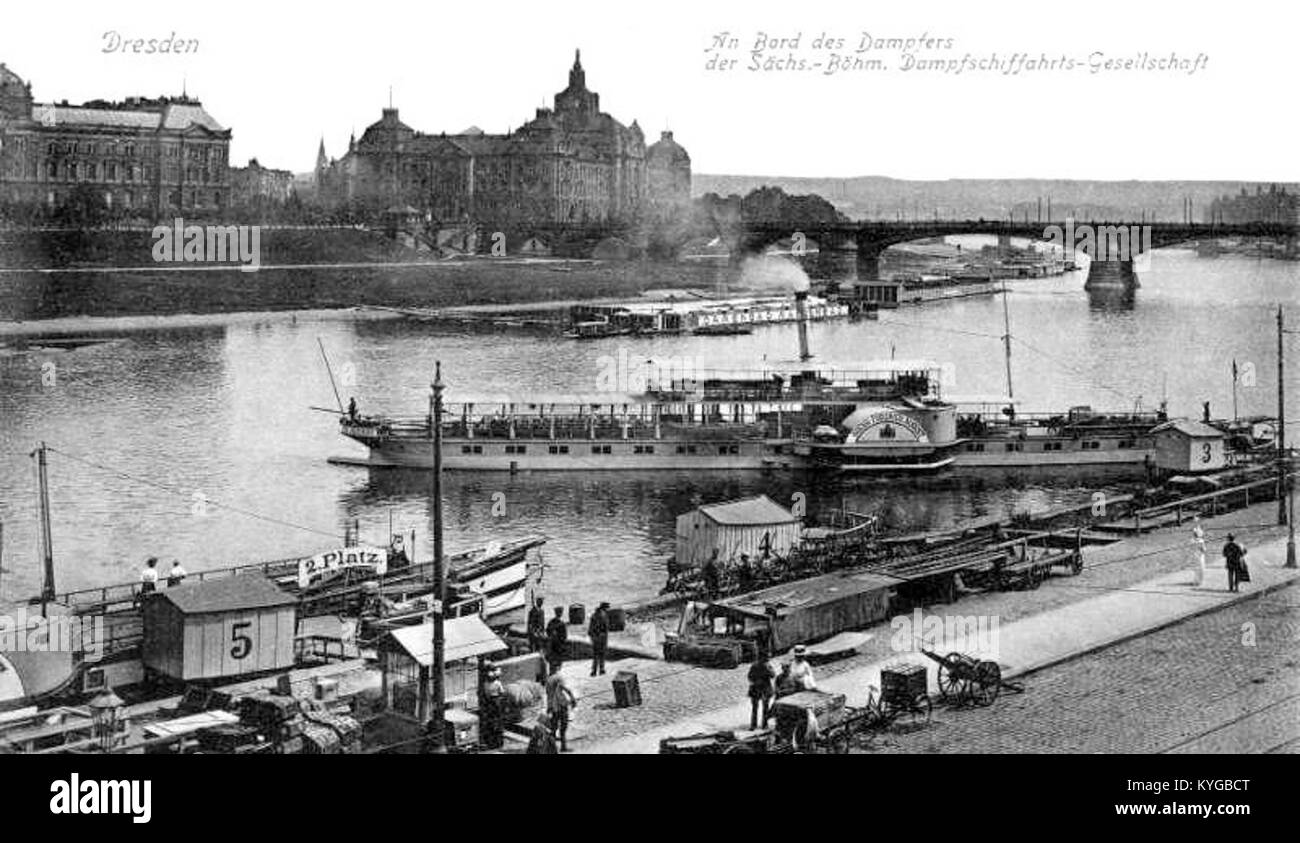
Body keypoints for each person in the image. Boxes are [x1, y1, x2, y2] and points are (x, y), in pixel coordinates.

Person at [545, 671, 577, 752]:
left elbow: (548, 696)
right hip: (561, 706)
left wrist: (549, 707)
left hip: (553, 707)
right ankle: (563, 747)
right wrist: (573, 699)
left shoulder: (548, 681)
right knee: (563, 728)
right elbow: (567, 689)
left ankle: (551, 748)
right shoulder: (559, 678)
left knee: (553, 728)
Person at [478, 665, 505, 750]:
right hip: (495, 702)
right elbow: (502, 692)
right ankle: (497, 742)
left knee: (490, 722)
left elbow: (485, 693)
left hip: (489, 702)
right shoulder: (497, 683)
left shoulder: (485, 684)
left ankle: (491, 742)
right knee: (496, 722)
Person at [746, 651, 776, 729]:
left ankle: (761, 724)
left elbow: (772, 675)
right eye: (767, 658)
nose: (768, 659)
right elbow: (750, 677)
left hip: (760, 689)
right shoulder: (757, 666)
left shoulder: (756, 665)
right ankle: (757, 725)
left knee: (763, 708)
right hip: (761, 689)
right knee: (757, 708)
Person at [588, 602, 610, 677]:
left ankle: (594, 671)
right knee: (602, 655)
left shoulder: (594, 615)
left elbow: (590, 630)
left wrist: (593, 638)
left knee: (596, 655)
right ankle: (601, 669)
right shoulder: (603, 616)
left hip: (595, 638)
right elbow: (606, 628)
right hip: (602, 638)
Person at [545, 606, 568, 674]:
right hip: (558, 646)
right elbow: (564, 636)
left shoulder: (551, 622)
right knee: (557, 663)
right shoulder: (561, 623)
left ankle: (552, 674)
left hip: (552, 645)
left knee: (552, 663)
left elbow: (547, 631)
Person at [1189, 517, 1207, 587]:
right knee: (1201, 568)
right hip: (1200, 555)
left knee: (1196, 568)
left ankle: (1195, 581)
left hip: (1194, 555)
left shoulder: (1192, 540)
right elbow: (1204, 549)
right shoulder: (1201, 541)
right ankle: (1200, 581)